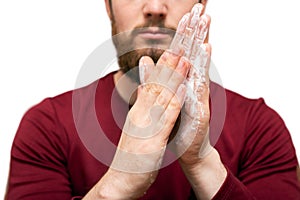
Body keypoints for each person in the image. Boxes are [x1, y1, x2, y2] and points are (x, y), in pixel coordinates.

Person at [5, 0, 300, 199]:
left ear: (202, 4)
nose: (156, 8)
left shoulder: (259, 127)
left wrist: (202, 163)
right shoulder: (47, 126)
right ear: (108, 5)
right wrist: (118, 182)